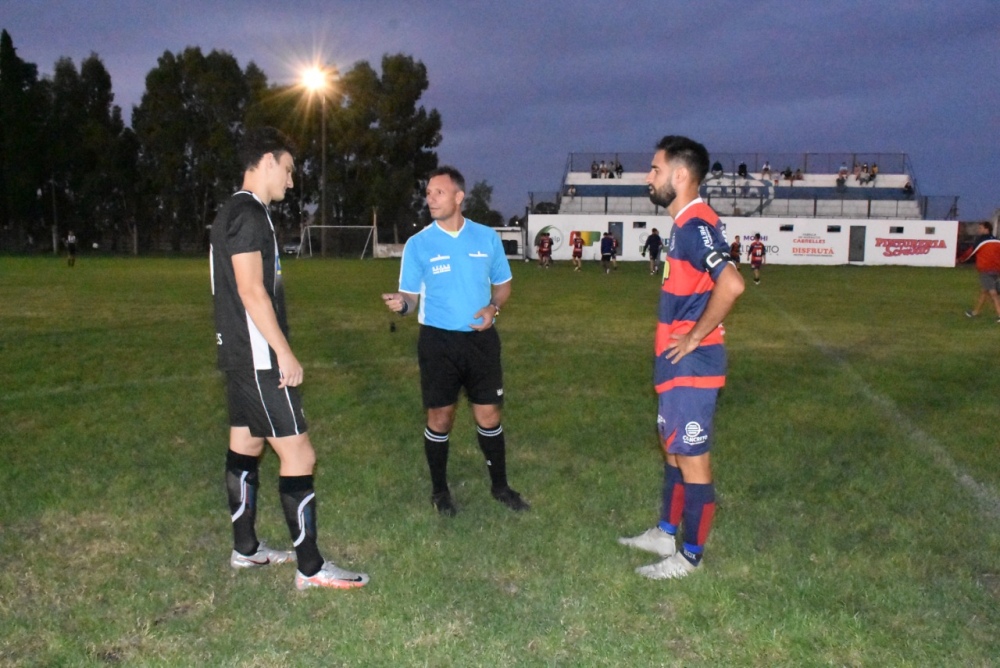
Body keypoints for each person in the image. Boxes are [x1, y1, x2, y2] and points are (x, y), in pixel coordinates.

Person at [210, 127, 369, 590]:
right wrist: (284, 352)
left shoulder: (233, 211)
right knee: (299, 451)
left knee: (247, 443)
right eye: (289, 169)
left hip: (239, 354)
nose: (292, 181)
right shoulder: (249, 214)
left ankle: (246, 550)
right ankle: (312, 568)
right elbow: (250, 289)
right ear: (266, 161)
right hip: (259, 356)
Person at [619, 135, 744, 580]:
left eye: (655, 169)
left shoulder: (695, 227)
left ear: (680, 175)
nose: (647, 177)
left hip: (693, 365)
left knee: (692, 458)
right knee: (673, 451)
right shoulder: (683, 225)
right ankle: (665, 532)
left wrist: (693, 336)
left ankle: (690, 556)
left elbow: (731, 283)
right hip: (675, 363)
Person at [381, 166, 529, 516]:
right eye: (428, 193)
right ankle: (440, 491)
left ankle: (501, 487)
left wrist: (494, 307)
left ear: (459, 197)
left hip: (481, 342)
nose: (430, 198)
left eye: (438, 192)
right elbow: (410, 295)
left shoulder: (486, 237)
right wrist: (403, 305)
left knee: (489, 416)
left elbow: (503, 284)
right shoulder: (419, 244)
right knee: (440, 418)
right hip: (438, 343)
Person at [959, 222, 1000, 322]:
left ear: (987, 229)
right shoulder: (997, 241)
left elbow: (970, 252)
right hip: (996, 269)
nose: (979, 230)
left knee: (992, 292)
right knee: (984, 291)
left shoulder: (981, 241)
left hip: (985, 269)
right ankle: (975, 312)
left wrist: (961, 260)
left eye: (981, 228)